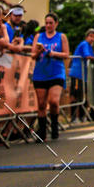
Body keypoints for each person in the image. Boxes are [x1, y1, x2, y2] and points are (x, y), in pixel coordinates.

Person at [31, 12, 69, 142]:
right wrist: (39, 51)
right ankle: (42, 132)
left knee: (53, 101)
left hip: (56, 72)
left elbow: (66, 54)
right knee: (41, 104)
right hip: (40, 73)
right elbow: (32, 55)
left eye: (51, 23)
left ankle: (54, 125)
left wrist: (53, 53)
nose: (48, 25)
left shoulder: (61, 37)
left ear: (56, 24)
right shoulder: (39, 36)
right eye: (46, 23)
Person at [69, 28, 94, 123]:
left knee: (84, 95)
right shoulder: (84, 44)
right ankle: (74, 117)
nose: (92, 39)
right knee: (76, 95)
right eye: (90, 36)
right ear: (86, 36)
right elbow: (87, 56)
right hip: (77, 73)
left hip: (84, 75)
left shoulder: (89, 46)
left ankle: (82, 116)